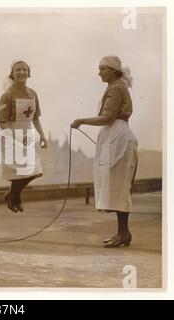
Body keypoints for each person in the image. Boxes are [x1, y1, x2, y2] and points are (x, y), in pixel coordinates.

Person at [71, 55, 138, 248]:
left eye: (102, 69)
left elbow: (107, 117)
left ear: (113, 70)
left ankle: (123, 233)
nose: (99, 72)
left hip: (117, 137)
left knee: (118, 186)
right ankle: (122, 233)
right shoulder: (115, 87)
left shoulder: (116, 88)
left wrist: (81, 120)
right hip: (115, 136)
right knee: (117, 186)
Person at [0, 60, 47, 212]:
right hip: (11, 134)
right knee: (19, 172)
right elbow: (2, 121)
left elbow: (35, 117)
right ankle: (15, 197)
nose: (21, 72)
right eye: (18, 69)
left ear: (29, 73)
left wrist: (42, 135)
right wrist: (13, 138)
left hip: (27, 134)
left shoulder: (32, 93)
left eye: (24, 69)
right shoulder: (7, 95)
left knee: (35, 171)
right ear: (12, 74)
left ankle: (12, 194)